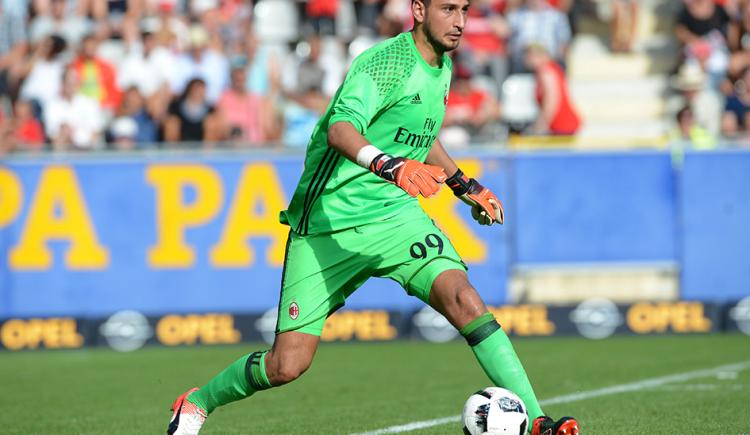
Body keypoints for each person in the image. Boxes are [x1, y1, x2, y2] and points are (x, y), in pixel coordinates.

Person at [166, 2, 580, 435]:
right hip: (328, 225)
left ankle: (537, 422)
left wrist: (464, 185)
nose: (459, 22)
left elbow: (419, 128)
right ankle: (197, 402)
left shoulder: (443, 64)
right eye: (448, 9)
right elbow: (340, 128)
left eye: (465, 10)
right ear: (418, 10)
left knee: (464, 299)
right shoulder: (385, 63)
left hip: (395, 216)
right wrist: (392, 166)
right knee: (287, 364)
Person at [524, 43, 581, 135]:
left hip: (562, 125)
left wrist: (539, 126)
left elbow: (551, 102)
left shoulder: (546, 71)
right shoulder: (548, 69)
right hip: (559, 125)